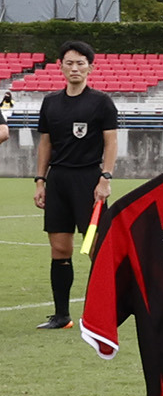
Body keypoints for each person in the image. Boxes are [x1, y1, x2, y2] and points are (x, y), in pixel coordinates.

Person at [34, 40, 118, 329]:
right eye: (69, 62)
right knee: (59, 249)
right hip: (58, 180)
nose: (75, 68)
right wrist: (40, 180)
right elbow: (45, 143)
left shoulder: (101, 102)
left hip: (88, 180)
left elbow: (111, 142)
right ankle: (61, 316)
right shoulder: (50, 103)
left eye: (80, 63)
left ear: (90, 68)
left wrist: (105, 177)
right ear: (60, 66)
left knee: (97, 249)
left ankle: (102, 314)